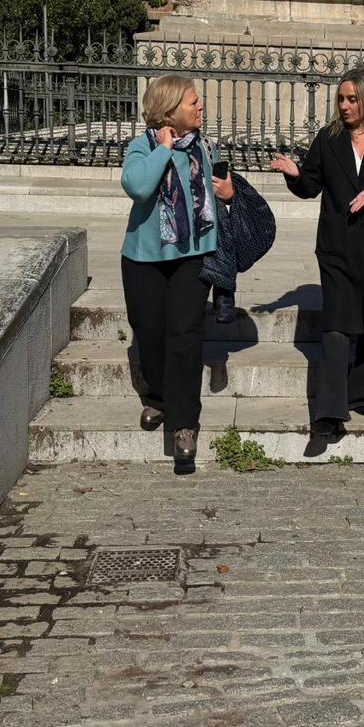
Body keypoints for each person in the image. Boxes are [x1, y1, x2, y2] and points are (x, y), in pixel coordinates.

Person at [269, 69, 364, 438]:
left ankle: (361, 392)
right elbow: (310, 186)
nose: (345, 105)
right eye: (341, 99)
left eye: (352, 99)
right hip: (337, 246)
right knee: (336, 324)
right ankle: (330, 410)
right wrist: (294, 173)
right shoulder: (328, 138)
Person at [120, 75, 234, 470]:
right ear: (169, 111)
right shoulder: (143, 146)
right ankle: (157, 397)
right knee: (149, 332)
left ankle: (184, 425)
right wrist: (164, 149)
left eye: (199, 102)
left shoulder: (204, 146)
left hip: (193, 255)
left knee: (185, 335)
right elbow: (138, 186)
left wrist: (229, 194)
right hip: (144, 257)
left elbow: (219, 190)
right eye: (193, 103)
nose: (201, 107)